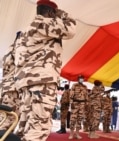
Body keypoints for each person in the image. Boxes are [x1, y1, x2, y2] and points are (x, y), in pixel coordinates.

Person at [14, 0, 76, 140]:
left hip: (27, 84)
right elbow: (70, 30)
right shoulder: (44, 24)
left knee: (26, 127)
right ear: (50, 13)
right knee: (39, 129)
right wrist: (61, 14)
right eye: (54, 15)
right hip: (41, 83)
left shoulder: (26, 31)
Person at [0, 31, 21, 131]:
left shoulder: (9, 49)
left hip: (6, 88)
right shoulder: (18, 50)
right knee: (8, 122)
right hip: (13, 90)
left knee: (4, 119)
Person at [68, 75, 88, 139]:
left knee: (79, 119)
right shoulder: (74, 85)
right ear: (78, 79)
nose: (81, 79)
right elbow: (71, 94)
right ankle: (71, 134)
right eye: (80, 78)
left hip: (82, 104)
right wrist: (71, 103)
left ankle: (77, 134)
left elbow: (86, 96)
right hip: (75, 103)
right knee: (73, 119)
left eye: (82, 78)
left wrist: (86, 104)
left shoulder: (85, 87)